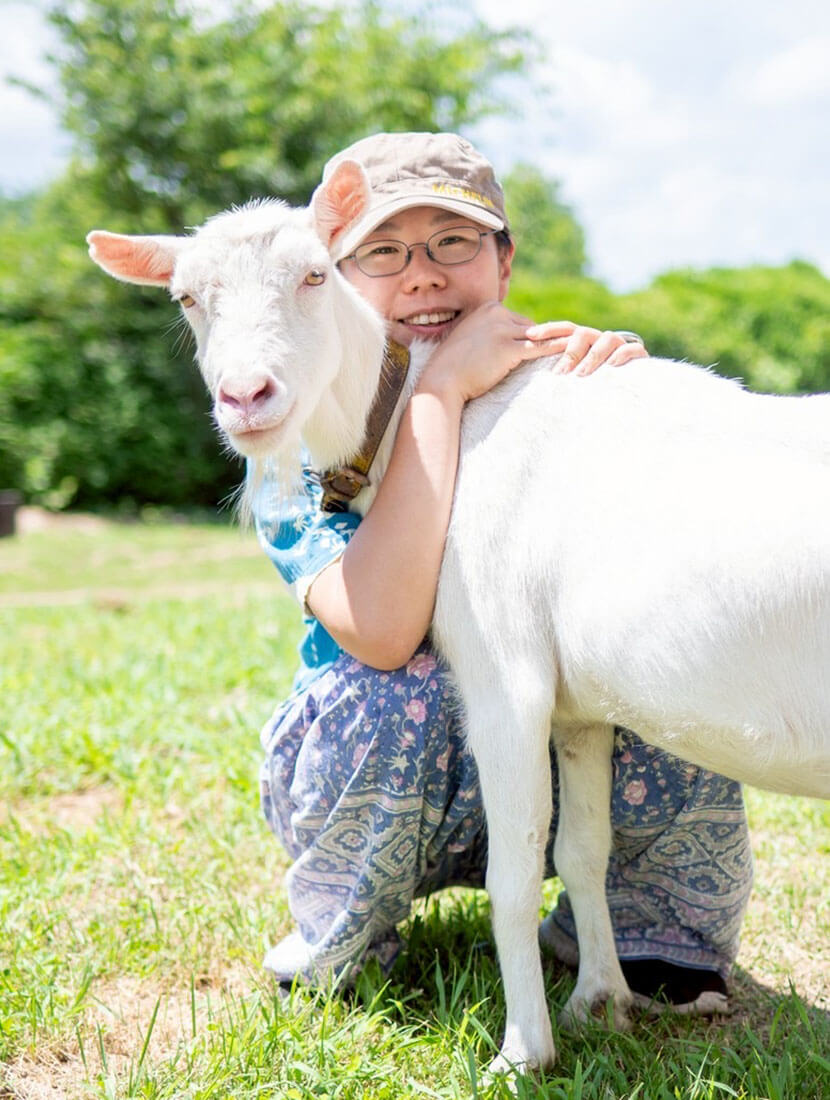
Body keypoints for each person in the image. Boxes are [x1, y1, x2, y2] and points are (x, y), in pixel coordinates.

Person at [254, 132, 753, 1013]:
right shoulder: (304, 439)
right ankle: (347, 929)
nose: (422, 276)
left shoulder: (554, 383)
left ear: (505, 261)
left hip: (562, 767)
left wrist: (626, 399)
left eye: (453, 241)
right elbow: (381, 630)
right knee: (395, 687)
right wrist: (438, 391)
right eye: (381, 252)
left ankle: (647, 931)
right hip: (404, 783)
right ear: (332, 281)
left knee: (659, 658)